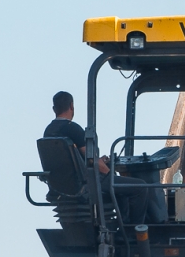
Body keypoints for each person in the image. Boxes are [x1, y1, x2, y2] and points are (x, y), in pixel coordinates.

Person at [43, 91, 155, 224]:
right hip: (88, 183)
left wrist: (98, 161)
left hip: (63, 184)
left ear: (54, 109)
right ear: (71, 106)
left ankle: (123, 224)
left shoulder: (48, 132)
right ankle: (134, 231)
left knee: (121, 186)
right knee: (140, 187)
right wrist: (109, 174)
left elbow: (76, 159)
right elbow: (92, 160)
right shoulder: (72, 129)